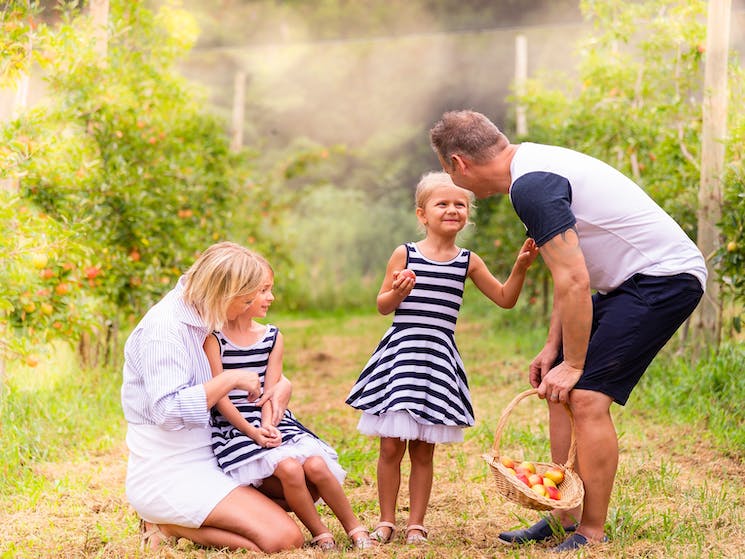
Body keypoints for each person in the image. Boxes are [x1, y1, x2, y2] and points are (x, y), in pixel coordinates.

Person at [429, 110, 706, 552]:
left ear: (459, 163)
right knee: (556, 387)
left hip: (664, 278)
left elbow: (576, 279)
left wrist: (576, 363)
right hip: (628, 281)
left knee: (586, 396)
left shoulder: (532, 185)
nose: (453, 179)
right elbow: (567, 273)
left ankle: (591, 530)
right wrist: (554, 349)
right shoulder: (532, 169)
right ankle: (564, 515)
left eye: (448, 171)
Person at [346, 171, 538, 545]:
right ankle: (386, 520)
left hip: (436, 359)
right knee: (390, 445)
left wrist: (519, 269)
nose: (452, 210)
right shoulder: (405, 253)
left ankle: (416, 523)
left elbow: (505, 299)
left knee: (423, 448)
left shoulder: (468, 261)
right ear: (422, 214)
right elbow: (383, 306)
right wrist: (398, 292)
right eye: (443, 203)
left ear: (468, 213)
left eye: (460, 205)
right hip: (401, 358)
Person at [121, 241, 304, 552]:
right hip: (171, 468)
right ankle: (166, 523)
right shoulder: (163, 330)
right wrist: (228, 380)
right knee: (285, 539)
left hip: (215, 451)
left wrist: (281, 383)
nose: (249, 309)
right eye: (246, 301)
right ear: (223, 293)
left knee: (304, 484)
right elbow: (167, 410)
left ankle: (208, 511)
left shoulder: (206, 313)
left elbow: (249, 361)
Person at [205, 256, 375, 551]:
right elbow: (220, 398)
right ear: (238, 291)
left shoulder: (272, 336)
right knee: (289, 468)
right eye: (263, 290)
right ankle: (320, 532)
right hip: (236, 429)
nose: (270, 297)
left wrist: (269, 424)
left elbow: (272, 391)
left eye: (271, 289)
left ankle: (355, 527)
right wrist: (253, 431)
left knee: (317, 465)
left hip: (271, 419)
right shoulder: (215, 339)